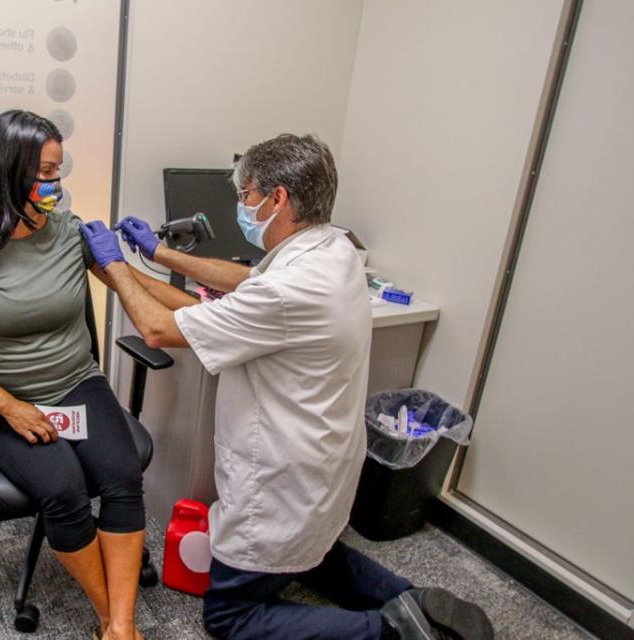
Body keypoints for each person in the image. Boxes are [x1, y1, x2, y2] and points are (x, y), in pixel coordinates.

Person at [79, 134, 494, 640]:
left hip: (281, 478)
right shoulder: (334, 248)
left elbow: (159, 330)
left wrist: (115, 267)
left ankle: (390, 633)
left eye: (246, 193)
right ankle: (409, 598)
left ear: (277, 199)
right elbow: (243, 283)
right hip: (324, 463)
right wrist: (160, 254)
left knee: (231, 616)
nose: (240, 205)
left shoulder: (285, 291)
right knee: (309, 554)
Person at [0, 110, 147, 640]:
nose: (55, 186)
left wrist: (153, 256)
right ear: (7, 170)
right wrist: (10, 407)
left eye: (58, 172)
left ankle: (120, 627)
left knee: (122, 476)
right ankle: (108, 616)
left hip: (75, 383)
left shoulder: (68, 232)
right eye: (44, 174)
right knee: (64, 489)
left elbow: (134, 290)